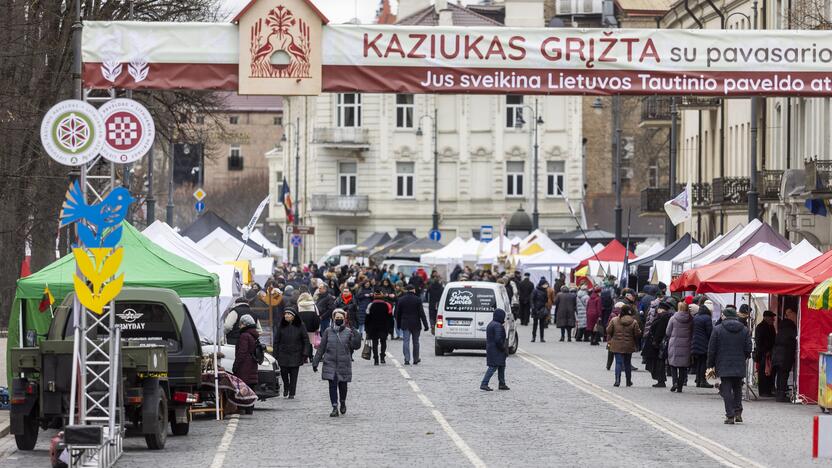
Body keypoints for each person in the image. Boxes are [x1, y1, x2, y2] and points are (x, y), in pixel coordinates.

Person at [312, 310, 362, 417]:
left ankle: (342, 402)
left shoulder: (349, 332)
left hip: (344, 363)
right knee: (332, 385)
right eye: (337, 317)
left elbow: (356, 346)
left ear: (344, 319)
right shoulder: (328, 331)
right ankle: (334, 406)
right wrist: (315, 361)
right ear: (333, 319)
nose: (338, 319)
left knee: (343, 386)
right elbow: (322, 348)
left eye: (341, 317)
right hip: (330, 362)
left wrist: (355, 333)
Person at [707, 306, 752, 424]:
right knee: (737, 388)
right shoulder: (745, 329)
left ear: (724, 316)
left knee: (726, 389)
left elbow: (712, 349)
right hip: (739, 363)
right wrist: (743, 357)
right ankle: (738, 412)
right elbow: (748, 349)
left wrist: (710, 365)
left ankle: (730, 415)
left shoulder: (717, 329)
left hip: (723, 363)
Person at [273, 308, 310, 399]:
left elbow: (305, 340)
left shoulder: (300, 325)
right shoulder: (281, 325)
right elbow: (276, 341)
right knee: (284, 373)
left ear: (293, 316)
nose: (287, 316)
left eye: (289, 314)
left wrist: (305, 353)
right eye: (285, 314)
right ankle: (286, 387)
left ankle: (292, 393)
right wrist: (275, 353)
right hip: (283, 353)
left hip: (296, 353)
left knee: (294, 375)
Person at [606, 304, 642, 387]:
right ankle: (628, 381)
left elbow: (608, 330)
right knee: (627, 363)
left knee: (618, 362)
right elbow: (637, 333)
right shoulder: (633, 321)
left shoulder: (614, 320)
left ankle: (617, 380)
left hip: (616, 344)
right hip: (629, 345)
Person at [395, 285, 430, 365]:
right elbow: (422, 313)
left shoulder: (401, 299)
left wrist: (398, 325)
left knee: (406, 341)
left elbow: (398, 314)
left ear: (406, 290)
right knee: (416, 342)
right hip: (416, 324)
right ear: (413, 290)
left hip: (405, 323)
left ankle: (407, 359)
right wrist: (426, 325)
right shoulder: (417, 299)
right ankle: (416, 359)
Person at [232, 314, 260, 413]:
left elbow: (242, 352)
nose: (239, 326)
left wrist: (236, 365)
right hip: (252, 365)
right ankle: (250, 409)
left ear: (245, 324)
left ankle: (244, 408)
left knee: (244, 388)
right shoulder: (253, 334)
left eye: (241, 324)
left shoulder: (244, 335)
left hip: (244, 367)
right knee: (251, 388)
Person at [666, 302, 694, 392]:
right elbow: (693, 332)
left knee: (673, 365)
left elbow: (668, 332)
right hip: (686, 344)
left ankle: (675, 382)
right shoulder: (691, 319)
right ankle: (680, 386)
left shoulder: (673, 318)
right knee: (683, 366)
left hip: (674, 344)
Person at [481, 308, 510, 391]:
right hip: (496, 350)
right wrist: (503, 348)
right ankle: (484, 383)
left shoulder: (491, 324)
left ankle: (502, 383)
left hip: (492, 349)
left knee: (501, 366)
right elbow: (498, 340)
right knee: (493, 367)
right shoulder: (498, 325)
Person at [772, 308, 798, 402]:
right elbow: (795, 340)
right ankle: (781, 395)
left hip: (776, 354)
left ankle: (779, 393)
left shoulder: (781, 328)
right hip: (785, 355)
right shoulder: (791, 329)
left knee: (779, 374)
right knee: (784, 375)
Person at [646, 300, 674, 388]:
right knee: (659, 362)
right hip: (660, 343)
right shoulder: (664, 316)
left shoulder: (663, 317)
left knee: (659, 362)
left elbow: (660, 331)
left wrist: (656, 342)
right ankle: (660, 379)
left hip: (659, 344)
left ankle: (661, 380)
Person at [366, 290, 393, 365]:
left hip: (373, 327)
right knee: (383, 341)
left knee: (375, 343)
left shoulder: (370, 305)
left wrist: (367, 328)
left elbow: (367, 318)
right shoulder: (387, 305)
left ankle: (376, 359)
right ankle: (382, 357)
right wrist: (391, 328)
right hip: (384, 327)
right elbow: (390, 317)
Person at [753, 310, 777, 397]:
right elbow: (759, 341)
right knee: (763, 373)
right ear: (766, 318)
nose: (773, 320)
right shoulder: (761, 327)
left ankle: (768, 390)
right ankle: (764, 391)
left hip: (769, 353)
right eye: (772, 318)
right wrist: (765, 351)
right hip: (763, 354)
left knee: (769, 372)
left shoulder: (770, 327)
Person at [691, 303, 714, 388]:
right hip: (704, 343)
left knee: (699, 362)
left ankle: (698, 380)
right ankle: (703, 381)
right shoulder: (707, 318)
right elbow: (709, 332)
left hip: (695, 342)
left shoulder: (696, 317)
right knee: (704, 362)